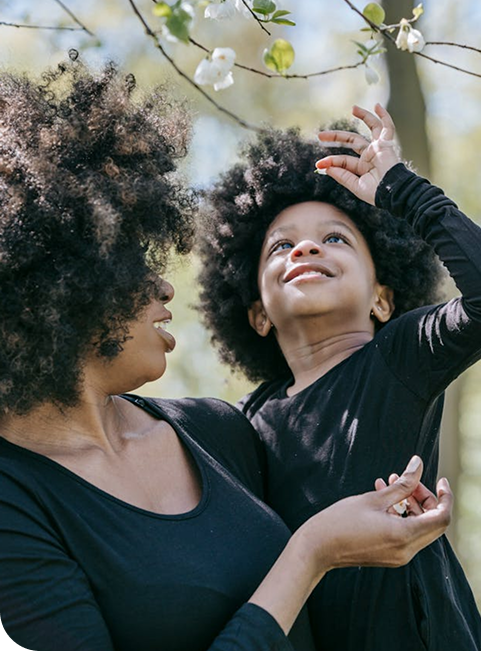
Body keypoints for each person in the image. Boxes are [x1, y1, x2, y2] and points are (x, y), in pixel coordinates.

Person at [0, 60, 454, 651]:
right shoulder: (13, 502)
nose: (165, 288)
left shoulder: (218, 431)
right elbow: (310, 550)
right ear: (54, 286)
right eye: (132, 265)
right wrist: (311, 554)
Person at [197, 102, 481, 651]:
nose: (305, 247)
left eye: (336, 239)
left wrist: (401, 190)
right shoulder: (249, 421)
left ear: (381, 298)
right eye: (281, 245)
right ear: (257, 313)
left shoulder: (401, 357)